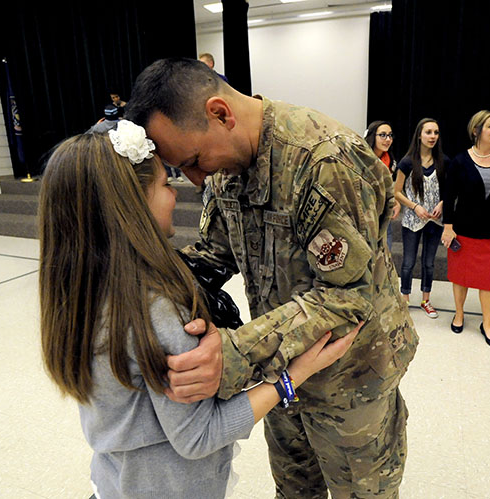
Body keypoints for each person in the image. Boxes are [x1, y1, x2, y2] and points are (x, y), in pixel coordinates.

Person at [124, 58, 418, 498]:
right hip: (283, 375)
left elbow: (347, 297)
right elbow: (214, 254)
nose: (195, 177)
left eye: (193, 160)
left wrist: (236, 354)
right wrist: (132, 278)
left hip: (352, 381)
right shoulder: (226, 173)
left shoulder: (323, 160)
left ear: (221, 114)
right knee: (296, 492)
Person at [38, 125, 360, 498]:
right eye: (165, 184)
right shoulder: (156, 313)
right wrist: (293, 376)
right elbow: (200, 435)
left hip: (116, 482)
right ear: (132, 205)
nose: (176, 192)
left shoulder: (81, 292)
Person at [440, 110, 490, 348]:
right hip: (463, 231)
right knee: (460, 277)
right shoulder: (459, 162)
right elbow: (449, 196)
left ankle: (487, 324)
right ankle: (459, 314)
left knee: (488, 281)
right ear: (477, 131)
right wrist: (448, 227)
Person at [394, 117, 449, 318]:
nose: (432, 136)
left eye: (435, 132)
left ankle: (426, 299)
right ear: (419, 135)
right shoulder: (407, 162)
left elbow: (451, 191)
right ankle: (404, 299)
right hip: (412, 220)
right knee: (408, 262)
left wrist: (443, 203)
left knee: (429, 262)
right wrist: (415, 206)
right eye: (428, 132)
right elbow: (396, 191)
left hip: (434, 222)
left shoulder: (444, 162)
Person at [364, 120, 400, 250]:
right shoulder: (363, 159)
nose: (387, 139)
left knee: (386, 252)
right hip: (366, 213)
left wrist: (395, 202)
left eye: (390, 135)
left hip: (384, 212)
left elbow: (389, 188)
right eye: (383, 135)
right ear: (373, 136)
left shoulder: (390, 161)